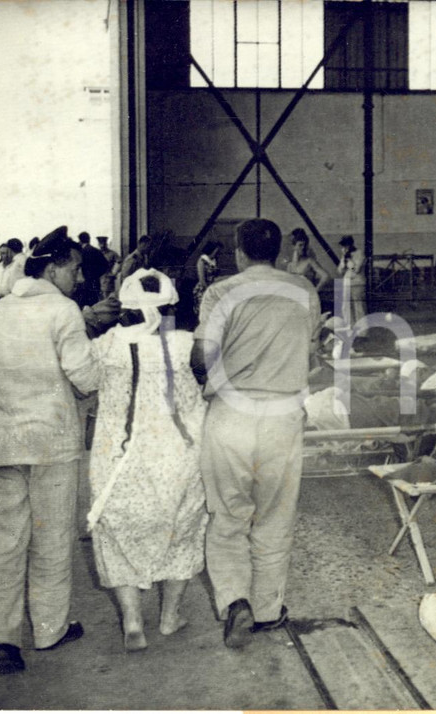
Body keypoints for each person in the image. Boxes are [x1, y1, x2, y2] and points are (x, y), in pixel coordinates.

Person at [192, 218, 319, 649]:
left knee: (228, 515)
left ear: (239, 253)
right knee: (275, 515)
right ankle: (266, 610)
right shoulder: (304, 290)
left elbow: (201, 357)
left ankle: (234, 600)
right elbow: (310, 347)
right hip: (283, 416)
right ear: (278, 251)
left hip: (231, 415)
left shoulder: (220, 292)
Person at [0, 226, 99, 675]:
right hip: (51, 445)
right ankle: (48, 630)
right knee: (50, 540)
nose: (79, 277)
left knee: (3, 543)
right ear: (52, 270)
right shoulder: (63, 310)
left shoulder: (0, 309)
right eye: (74, 268)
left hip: (2, 444)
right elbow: (85, 377)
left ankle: (0, 638)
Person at [87, 268, 208, 652]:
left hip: (120, 459)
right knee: (182, 531)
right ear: (171, 306)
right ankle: (170, 616)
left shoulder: (108, 344)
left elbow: (85, 378)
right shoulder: (186, 344)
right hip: (177, 458)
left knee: (118, 535)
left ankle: (133, 621)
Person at [336, 234, 367, 335]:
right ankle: (349, 329)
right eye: (343, 246)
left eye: (346, 245)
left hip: (357, 283)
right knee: (346, 307)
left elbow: (356, 269)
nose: (345, 247)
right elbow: (340, 271)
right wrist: (343, 260)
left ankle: (362, 332)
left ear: (351, 244)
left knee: (358, 307)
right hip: (347, 283)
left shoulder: (359, 253)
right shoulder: (345, 255)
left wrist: (349, 260)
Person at [192, 241, 222, 316]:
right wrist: (209, 291)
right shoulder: (202, 261)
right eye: (217, 251)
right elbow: (202, 280)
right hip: (204, 289)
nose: (218, 253)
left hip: (213, 287)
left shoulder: (214, 260)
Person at [77, 232, 107, 306]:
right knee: (94, 304)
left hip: (83, 284)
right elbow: (105, 265)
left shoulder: (80, 252)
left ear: (80, 241)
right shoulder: (96, 251)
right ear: (89, 239)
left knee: (84, 304)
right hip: (95, 283)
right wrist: (96, 275)